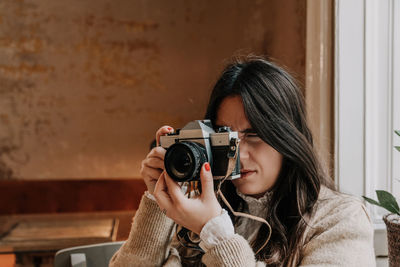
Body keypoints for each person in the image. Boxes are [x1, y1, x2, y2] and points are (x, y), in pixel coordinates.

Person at [109, 57, 375, 266]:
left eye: (254, 135)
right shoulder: (197, 207)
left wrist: (214, 231)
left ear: (287, 137)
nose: (239, 154)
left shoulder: (340, 219)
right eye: (227, 138)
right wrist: (160, 199)